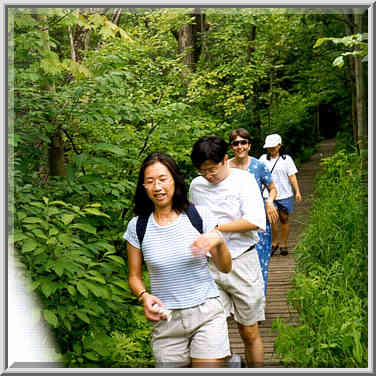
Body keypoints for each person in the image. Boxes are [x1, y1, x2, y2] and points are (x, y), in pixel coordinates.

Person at [123, 152, 232, 368]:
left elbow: (226, 267)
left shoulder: (199, 215)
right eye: (150, 181)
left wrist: (217, 241)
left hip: (206, 313)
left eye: (163, 179)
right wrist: (144, 297)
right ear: (143, 187)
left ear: (174, 180)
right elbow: (134, 277)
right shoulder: (137, 226)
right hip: (166, 321)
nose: (157, 187)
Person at [189, 136, 266, 368]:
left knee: (248, 330)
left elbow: (255, 220)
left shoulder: (244, 181)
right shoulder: (196, 185)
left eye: (212, 170)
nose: (208, 176)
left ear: (225, 160)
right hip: (210, 266)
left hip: (242, 261)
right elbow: (195, 222)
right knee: (215, 333)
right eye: (203, 172)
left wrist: (215, 231)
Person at [228, 128, 278, 296]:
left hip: (257, 221)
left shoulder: (258, 166)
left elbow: (272, 188)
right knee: (234, 264)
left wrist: (270, 202)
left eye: (243, 142)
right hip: (232, 222)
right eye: (236, 143)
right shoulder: (226, 167)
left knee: (260, 263)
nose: (240, 146)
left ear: (249, 145)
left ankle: (258, 305)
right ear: (231, 147)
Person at [259, 134, 302, 256]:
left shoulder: (286, 159)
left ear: (279, 146)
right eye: (269, 147)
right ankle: (274, 243)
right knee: (272, 220)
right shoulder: (262, 159)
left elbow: (292, 176)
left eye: (273, 146)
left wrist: (297, 191)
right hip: (268, 195)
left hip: (285, 194)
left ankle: (283, 244)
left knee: (284, 219)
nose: (271, 149)